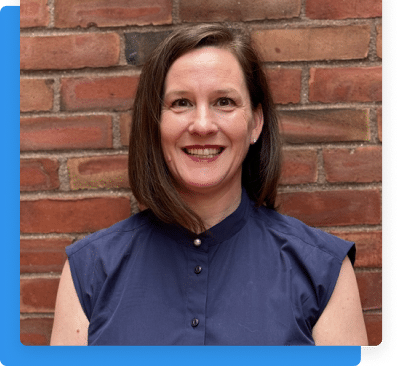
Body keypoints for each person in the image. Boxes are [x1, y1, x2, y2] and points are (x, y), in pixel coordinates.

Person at [50, 24, 368, 346]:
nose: (202, 125)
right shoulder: (88, 272)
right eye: (181, 103)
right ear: (155, 123)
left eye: (224, 102)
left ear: (255, 123)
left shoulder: (323, 272)